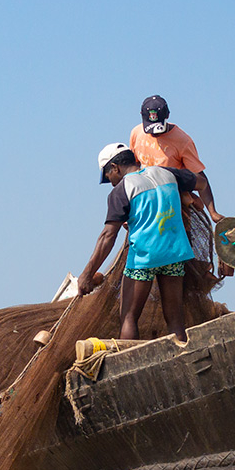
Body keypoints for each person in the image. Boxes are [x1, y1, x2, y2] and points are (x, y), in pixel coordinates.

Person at [77, 143, 199, 342]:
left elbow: (108, 236)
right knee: (175, 319)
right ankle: (181, 357)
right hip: (174, 254)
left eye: (108, 177)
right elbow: (200, 182)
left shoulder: (122, 190)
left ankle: (131, 363)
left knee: (129, 317)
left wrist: (87, 274)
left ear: (115, 167)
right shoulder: (165, 173)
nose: (111, 182)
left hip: (144, 257)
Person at [129, 95, 232, 277]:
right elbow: (133, 168)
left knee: (179, 254)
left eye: (159, 127)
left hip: (173, 207)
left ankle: (189, 279)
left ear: (167, 115)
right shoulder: (137, 133)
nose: (155, 132)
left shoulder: (182, 140)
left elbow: (200, 177)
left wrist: (213, 212)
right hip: (146, 205)